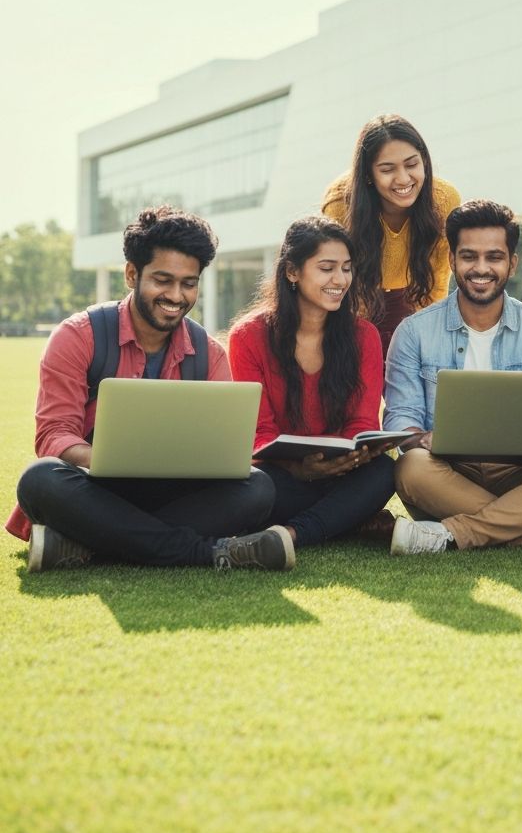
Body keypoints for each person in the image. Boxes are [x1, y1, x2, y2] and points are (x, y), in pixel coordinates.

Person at [11, 206, 290, 572]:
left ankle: (91, 545)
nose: (176, 295)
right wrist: (106, 461)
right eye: (163, 280)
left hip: (173, 494)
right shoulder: (78, 336)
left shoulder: (209, 353)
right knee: (40, 479)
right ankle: (207, 553)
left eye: (188, 283)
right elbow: (52, 434)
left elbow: (225, 449)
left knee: (258, 487)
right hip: (97, 488)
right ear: (131, 274)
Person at [383, 199, 522, 554]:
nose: (480, 268)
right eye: (469, 256)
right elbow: (400, 421)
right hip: (448, 473)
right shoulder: (413, 332)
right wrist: (423, 439)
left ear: (512, 263)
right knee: (410, 467)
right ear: (452, 260)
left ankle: (450, 535)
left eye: (494, 257)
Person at [228, 217, 396, 549]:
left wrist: (343, 461)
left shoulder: (364, 336)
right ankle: (346, 520)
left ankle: (291, 534)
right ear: (292, 271)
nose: (340, 280)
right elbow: (258, 431)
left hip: (343, 474)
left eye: (346, 268)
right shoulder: (248, 336)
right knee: (255, 488)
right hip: (282, 476)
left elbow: (363, 422)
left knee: (384, 473)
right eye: (327, 268)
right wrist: (300, 468)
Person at [322, 114, 461, 357]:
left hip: (412, 299)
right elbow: (337, 282)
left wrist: (427, 341)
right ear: (368, 174)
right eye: (387, 169)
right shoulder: (340, 202)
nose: (404, 179)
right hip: (355, 303)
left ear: (425, 162)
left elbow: (436, 284)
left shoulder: (445, 199)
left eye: (411, 164)